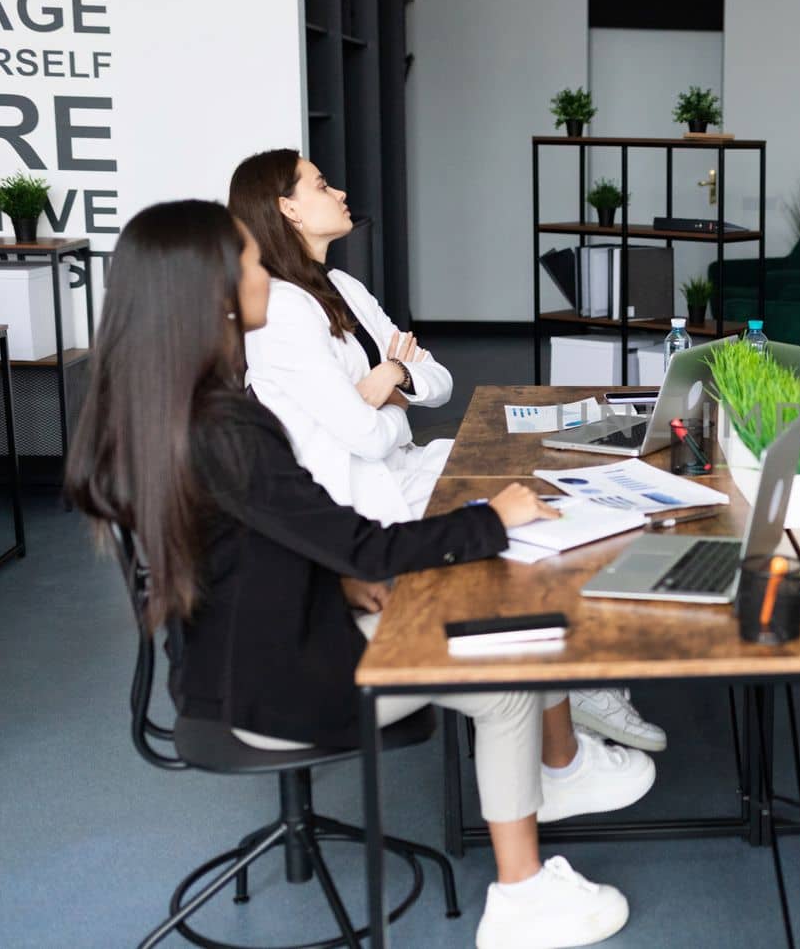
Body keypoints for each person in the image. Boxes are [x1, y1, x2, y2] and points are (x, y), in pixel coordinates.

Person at [65, 201, 638, 947]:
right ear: (209, 290)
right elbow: (361, 543)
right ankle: (523, 896)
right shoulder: (226, 426)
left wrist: (337, 581)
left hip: (226, 661)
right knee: (508, 674)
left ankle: (546, 815)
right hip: (268, 685)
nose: (261, 270)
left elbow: (251, 543)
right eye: (246, 262)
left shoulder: (166, 409)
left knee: (470, 628)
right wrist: (493, 518)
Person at [228, 149, 667, 766]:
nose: (341, 193)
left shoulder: (343, 288)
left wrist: (391, 379)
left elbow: (439, 380)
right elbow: (365, 438)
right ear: (288, 209)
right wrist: (391, 384)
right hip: (360, 494)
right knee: (523, 528)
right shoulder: (281, 312)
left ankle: (570, 681)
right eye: (322, 185)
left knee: (543, 484)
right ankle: (571, 691)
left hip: (402, 464)